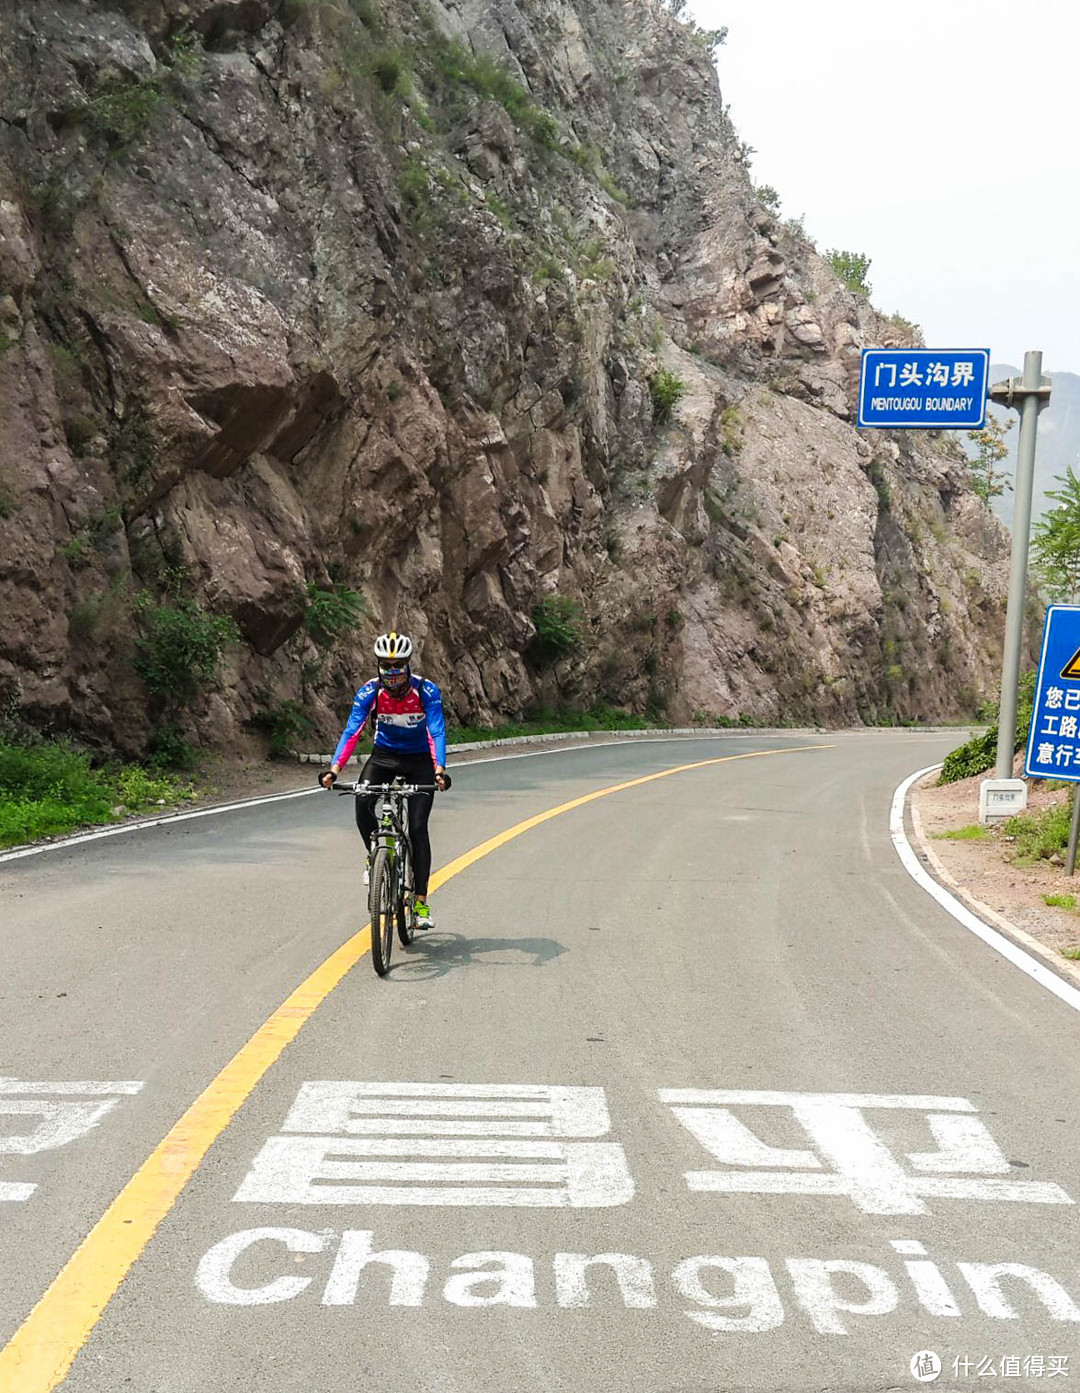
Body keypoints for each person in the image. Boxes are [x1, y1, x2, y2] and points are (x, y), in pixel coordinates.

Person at [320, 632, 450, 927]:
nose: (392, 672)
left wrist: (439, 769)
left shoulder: (426, 691)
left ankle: (420, 906)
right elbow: (352, 731)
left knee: (417, 828)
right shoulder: (369, 692)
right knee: (362, 804)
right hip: (384, 757)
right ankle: (376, 855)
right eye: (386, 665)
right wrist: (334, 769)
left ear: (408, 665)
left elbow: (435, 731)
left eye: (398, 665)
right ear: (378, 665)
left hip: (420, 762)